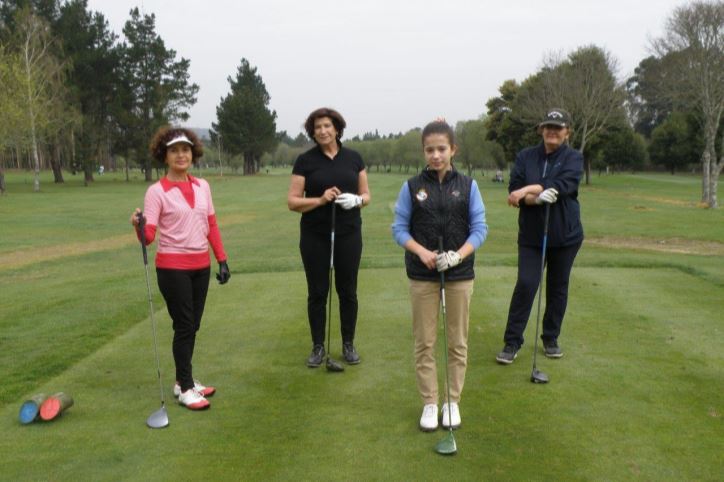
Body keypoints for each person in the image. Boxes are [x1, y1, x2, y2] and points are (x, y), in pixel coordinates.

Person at [392, 120, 487, 432]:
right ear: (423, 151)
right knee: (425, 341)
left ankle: (452, 401)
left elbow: (480, 229)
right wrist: (422, 252)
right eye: (430, 149)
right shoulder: (411, 187)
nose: (435, 155)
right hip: (423, 274)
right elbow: (399, 229)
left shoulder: (469, 186)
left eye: (441, 149)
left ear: (453, 150)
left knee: (457, 341)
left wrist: (458, 254)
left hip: (460, 274)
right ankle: (430, 402)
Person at [130, 126, 230, 410]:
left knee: (192, 325)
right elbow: (148, 237)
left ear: (193, 153)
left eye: (185, 149)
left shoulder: (203, 186)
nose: (181, 155)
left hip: (201, 265)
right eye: (174, 150)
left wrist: (221, 259)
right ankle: (186, 388)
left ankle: (181, 379)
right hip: (172, 267)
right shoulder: (156, 192)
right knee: (185, 325)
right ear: (165, 155)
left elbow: (211, 223)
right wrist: (138, 226)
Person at [496, 108, 584, 364]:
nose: (552, 131)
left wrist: (529, 190)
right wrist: (535, 198)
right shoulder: (526, 157)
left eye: (558, 127)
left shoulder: (574, 158)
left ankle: (550, 338)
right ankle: (512, 342)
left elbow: (563, 186)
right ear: (541, 130)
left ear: (567, 132)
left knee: (558, 287)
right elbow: (514, 194)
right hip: (533, 236)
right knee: (526, 283)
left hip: (566, 236)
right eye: (548, 127)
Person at [287, 107, 371, 367]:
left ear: (336, 128)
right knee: (317, 292)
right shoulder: (305, 160)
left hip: (348, 233)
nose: (322, 131)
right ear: (313, 132)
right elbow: (292, 201)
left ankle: (348, 344)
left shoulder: (354, 158)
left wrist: (356, 200)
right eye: (317, 127)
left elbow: (366, 195)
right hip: (315, 235)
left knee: (348, 291)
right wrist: (321, 199)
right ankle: (318, 346)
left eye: (327, 126)